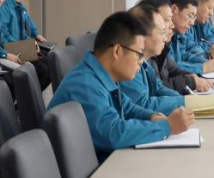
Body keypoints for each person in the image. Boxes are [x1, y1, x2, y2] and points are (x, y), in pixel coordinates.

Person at [48, 11, 195, 156]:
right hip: (98, 168)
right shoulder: (85, 85)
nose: (141, 61)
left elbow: (128, 107)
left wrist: (152, 116)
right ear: (117, 51)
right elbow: (113, 133)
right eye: (139, 54)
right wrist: (167, 126)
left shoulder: (103, 76)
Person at [119, 4, 187, 117]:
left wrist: (186, 100)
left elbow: (158, 88)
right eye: (162, 33)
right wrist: (186, 102)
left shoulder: (145, 63)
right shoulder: (127, 65)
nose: (165, 39)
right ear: (142, 34)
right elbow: (142, 105)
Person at [138, 0, 214, 93]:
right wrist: (191, 80)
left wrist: (191, 76)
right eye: (167, 20)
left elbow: (174, 68)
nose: (172, 25)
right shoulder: (138, 59)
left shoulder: (166, 43)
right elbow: (155, 91)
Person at [165, 0, 214, 75]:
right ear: (173, 10)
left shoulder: (177, 34)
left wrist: (208, 59)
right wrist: (202, 67)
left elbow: (185, 56)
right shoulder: (162, 37)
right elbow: (170, 69)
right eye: (190, 16)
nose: (192, 22)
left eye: (194, 17)